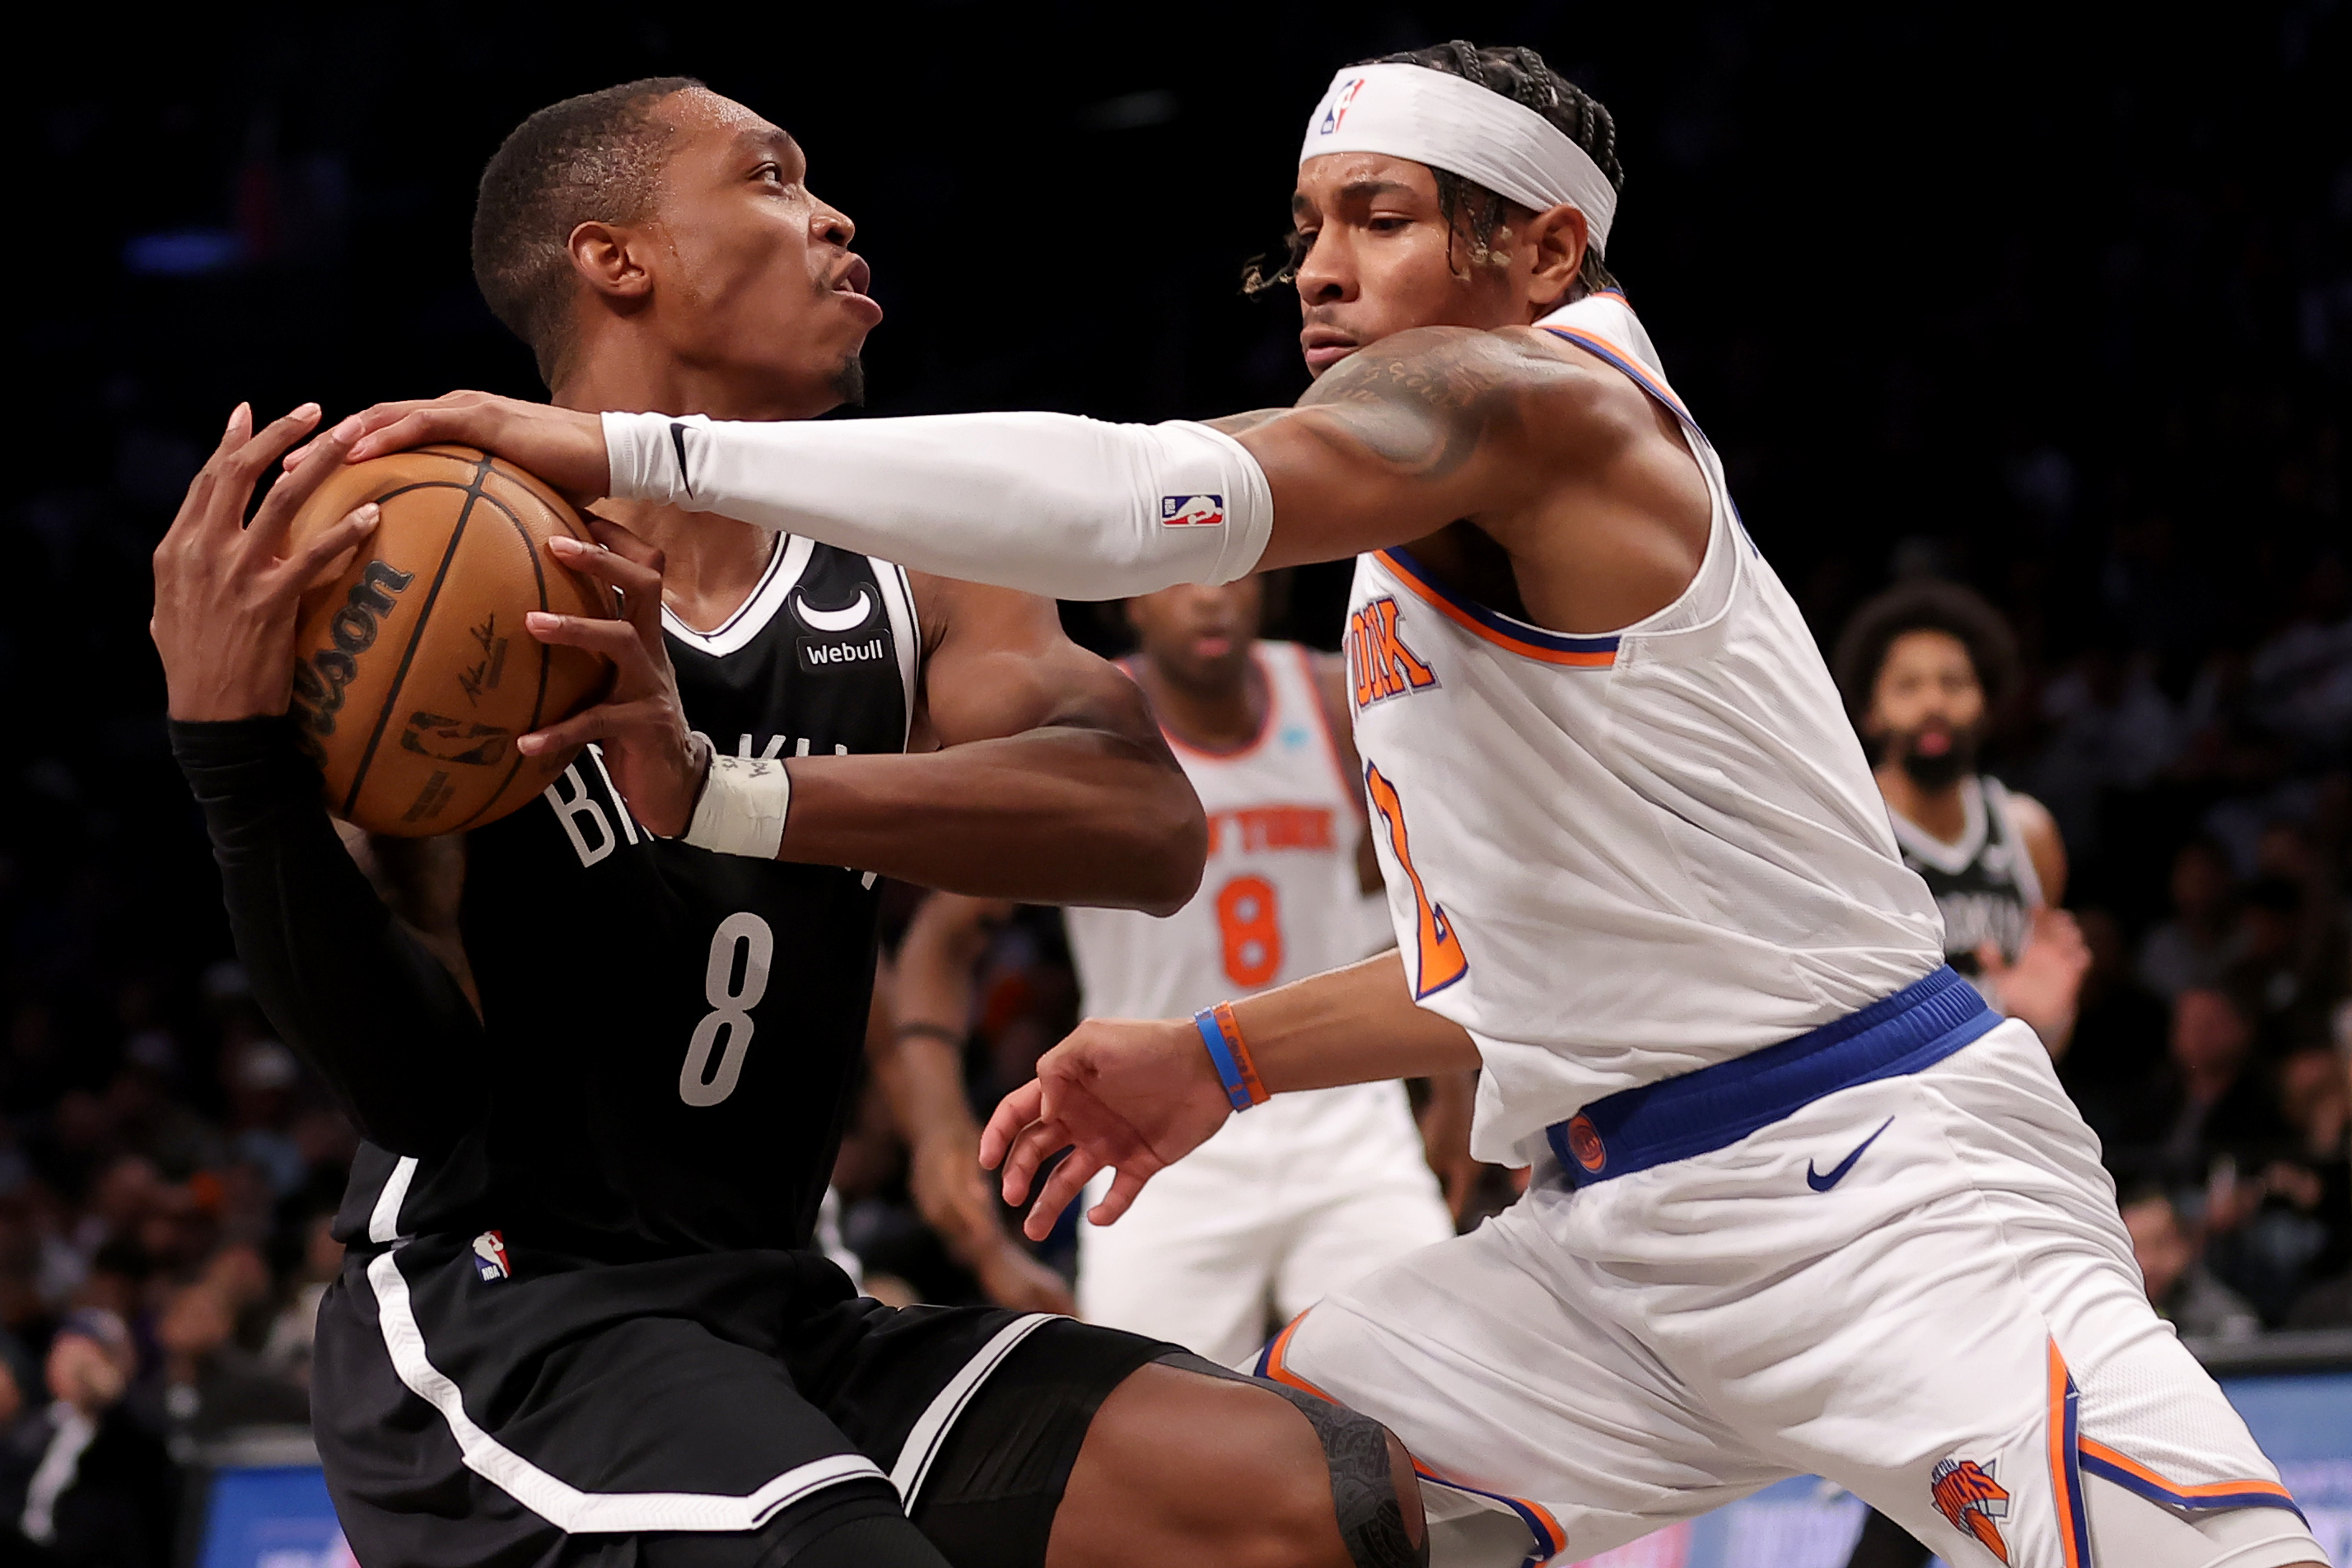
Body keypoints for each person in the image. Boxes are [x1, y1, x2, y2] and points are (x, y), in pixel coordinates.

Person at [328, 42, 2326, 1568]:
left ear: (1538, 252)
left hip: (1890, 1198)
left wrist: (610, 437)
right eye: (1308, 224)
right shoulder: (1415, 552)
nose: (1323, 265)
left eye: (1381, 216)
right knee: (1235, 1499)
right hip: (1612, 1241)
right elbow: (1515, 973)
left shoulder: (1533, 404)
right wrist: (1224, 1050)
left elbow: (1128, 503)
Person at [155, 79, 1425, 1568]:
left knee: (1313, 1493)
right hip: (508, 1306)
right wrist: (234, 762)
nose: (834, 216)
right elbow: (415, 1089)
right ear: (613, 257)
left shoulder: (914, 559)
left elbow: (1146, 828)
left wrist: (719, 788)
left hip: (777, 1293)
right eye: (769, 178)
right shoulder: (459, 561)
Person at [892, 579, 1466, 1366]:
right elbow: (943, 938)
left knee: (1432, 1390)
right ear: (1132, 598)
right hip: (1150, 1129)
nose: (1208, 599)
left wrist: (1456, 1093)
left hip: (1344, 1124)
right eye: (1180, 578)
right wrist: (936, 1125)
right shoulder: (1088, 726)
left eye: (1230, 574)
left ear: (1266, 587)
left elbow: (1421, 905)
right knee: (1144, 1431)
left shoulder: (1333, 701)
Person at [1832, 581, 2091, 1051]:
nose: (1934, 704)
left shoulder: (2028, 830)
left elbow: (2045, 1018)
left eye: (1953, 683)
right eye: (1908, 685)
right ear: (1870, 711)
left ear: (1986, 704)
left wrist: (2047, 1022)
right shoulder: (1845, 831)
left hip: (2005, 1103)